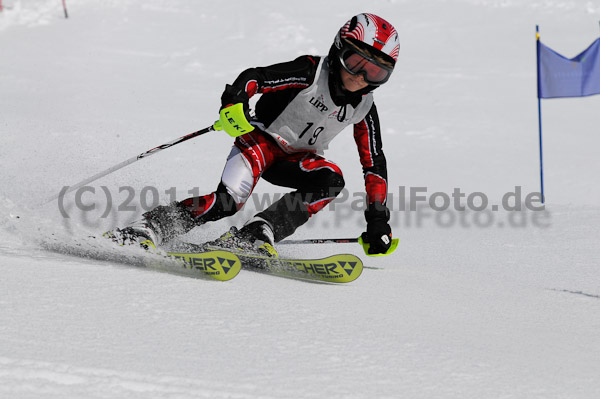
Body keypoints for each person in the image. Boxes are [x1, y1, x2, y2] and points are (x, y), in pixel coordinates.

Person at [106, 13, 399, 257]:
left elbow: (374, 164)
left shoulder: (364, 107)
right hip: (259, 143)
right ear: (338, 50)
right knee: (227, 203)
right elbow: (255, 78)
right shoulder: (311, 72)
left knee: (331, 179)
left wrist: (377, 219)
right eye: (356, 62)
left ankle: (259, 231)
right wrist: (234, 103)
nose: (360, 77)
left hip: (295, 161)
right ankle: (149, 227)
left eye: (375, 73)